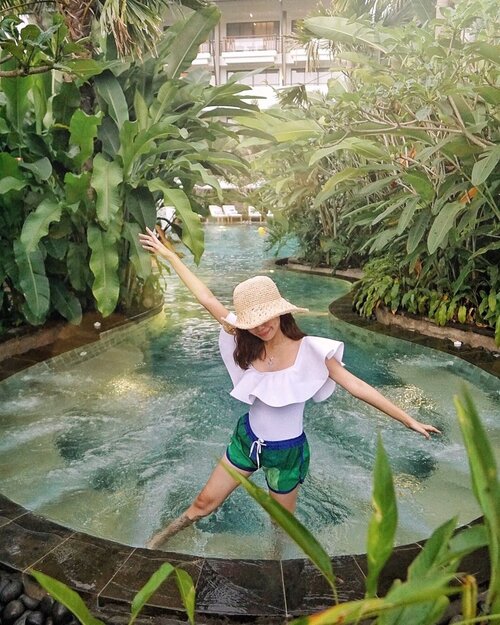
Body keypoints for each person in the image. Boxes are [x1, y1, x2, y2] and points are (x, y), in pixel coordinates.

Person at [139, 227, 440, 550]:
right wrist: (170, 255)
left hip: (287, 453)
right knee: (202, 504)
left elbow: (357, 386)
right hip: (247, 440)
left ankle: (275, 566)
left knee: (281, 526)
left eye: (267, 315)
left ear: (281, 310)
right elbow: (206, 298)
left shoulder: (311, 350)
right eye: (253, 320)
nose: (261, 325)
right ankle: (158, 542)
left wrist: (408, 419)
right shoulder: (246, 340)